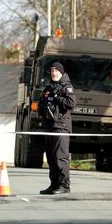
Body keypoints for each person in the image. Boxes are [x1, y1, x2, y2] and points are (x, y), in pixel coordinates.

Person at [38, 62, 76, 194]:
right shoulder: (49, 87)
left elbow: (71, 103)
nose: (54, 73)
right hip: (50, 126)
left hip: (61, 127)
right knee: (51, 157)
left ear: (61, 72)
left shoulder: (67, 86)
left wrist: (57, 98)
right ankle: (54, 184)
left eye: (56, 71)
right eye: (52, 71)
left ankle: (64, 186)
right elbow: (41, 102)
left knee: (61, 157)